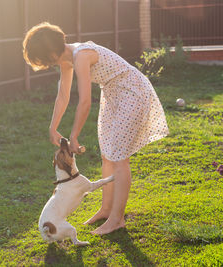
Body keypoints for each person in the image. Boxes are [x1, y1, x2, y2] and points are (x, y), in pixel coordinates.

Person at [22, 22, 169, 235]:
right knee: (108, 156)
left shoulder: (81, 56)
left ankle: (117, 219)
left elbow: (84, 102)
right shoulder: (67, 59)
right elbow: (63, 96)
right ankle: (106, 209)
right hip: (113, 93)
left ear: (51, 52)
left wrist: (74, 135)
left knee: (119, 159)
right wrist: (52, 128)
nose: (44, 64)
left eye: (42, 59)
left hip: (132, 92)